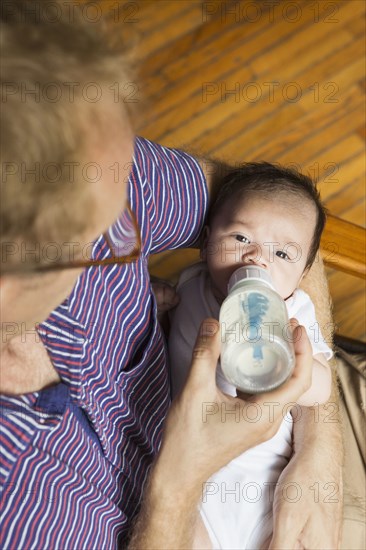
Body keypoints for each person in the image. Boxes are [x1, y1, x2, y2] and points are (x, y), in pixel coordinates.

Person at [0, 2, 342, 549]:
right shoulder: (19, 506)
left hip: (268, 490)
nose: (131, 227)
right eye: (106, 239)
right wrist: (177, 488)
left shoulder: (95, 163)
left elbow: (272, 210)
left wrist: (321, 446)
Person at [169, 163, 333, 548]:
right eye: (241, 237)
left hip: (264, 487)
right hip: (194, 477)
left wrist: (295, 367)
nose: (258, 258)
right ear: (207, 241)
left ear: (304, 270)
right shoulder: (190, 283)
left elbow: (322, 386)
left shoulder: (296, 313)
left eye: (282, 253)